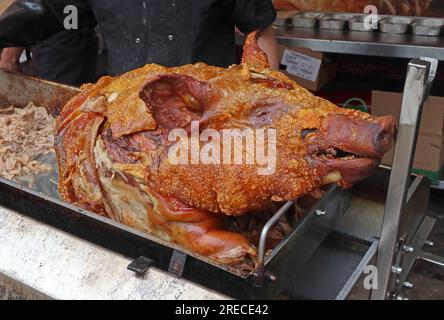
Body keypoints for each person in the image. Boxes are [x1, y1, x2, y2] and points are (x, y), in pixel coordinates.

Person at [0, 0, 279, 78]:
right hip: (127, 119)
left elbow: (259, 30)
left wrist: (264, 102)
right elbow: (60, 13)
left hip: (204, 120)